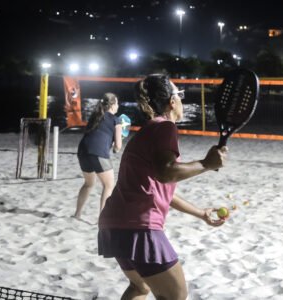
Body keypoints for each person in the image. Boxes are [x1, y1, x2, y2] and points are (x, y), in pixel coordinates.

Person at [98, 74, 228, 300]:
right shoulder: (165, 127)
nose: (182, 101)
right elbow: (166, 172)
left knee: (140, 288)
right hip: (139, 225)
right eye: (181, 95)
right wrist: (206, 164)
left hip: (114, 224)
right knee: (175, 296)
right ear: (172, 101)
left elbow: (158, 187)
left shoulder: (148, 130)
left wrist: (200, 213)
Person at [74, 93, 122, 219]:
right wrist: (116, 144)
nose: (118, 105)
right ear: (112, 105)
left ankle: (77, 214)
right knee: (109, 185)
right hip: (98, 153)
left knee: (88, 184)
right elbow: (118, 146)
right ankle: (102, 219)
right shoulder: (116, 120)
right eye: (117, 103)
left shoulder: (95, 116)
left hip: (83, 151)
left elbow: (97, 134)